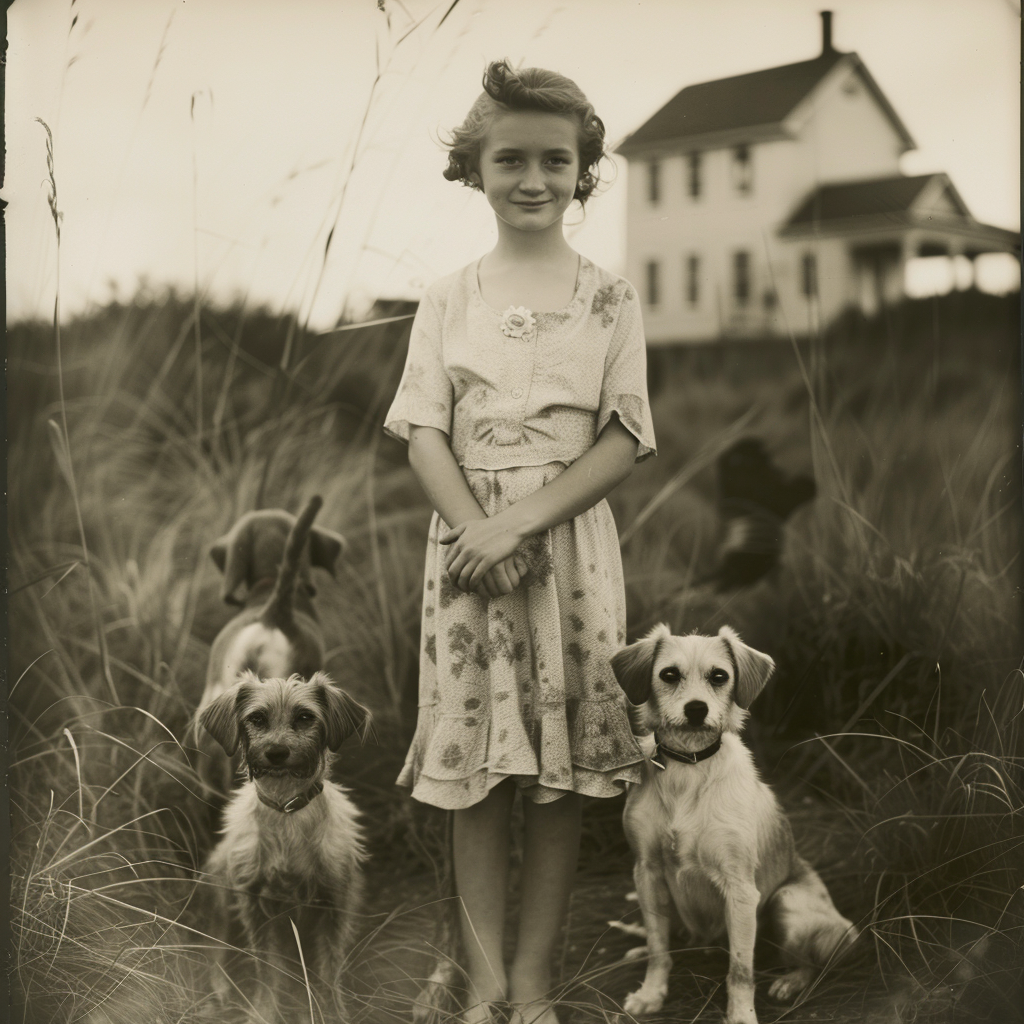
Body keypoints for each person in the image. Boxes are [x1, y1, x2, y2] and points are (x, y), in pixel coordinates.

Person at [383, 59, 656, 1024]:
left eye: (555, 159)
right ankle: (482, 986)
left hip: (568, 552)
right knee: (477, 777)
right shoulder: (449, 296)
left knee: (558, 778)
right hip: (465, 561)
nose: (533, 178)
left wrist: (518, 522)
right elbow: (422, 429)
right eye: (510, 159)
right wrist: (476, 529)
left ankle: (534, 985)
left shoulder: (610, 298)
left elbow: (625, 436)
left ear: (583, 168)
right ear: (476, 168)